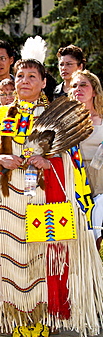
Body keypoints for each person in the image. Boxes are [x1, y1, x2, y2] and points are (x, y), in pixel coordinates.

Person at [0, 38, 103, 337]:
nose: (24, 81)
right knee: (13, 256)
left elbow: (74, 161)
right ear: (11, 81)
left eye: (32, 76)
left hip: (47, 197)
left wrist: (50, 160)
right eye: (19, 76)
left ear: (44, 82)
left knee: (43, 258)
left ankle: (42, 322)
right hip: (8, 198)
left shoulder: (58, 114)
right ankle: (18, 321)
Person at [69, 70, 103, 251]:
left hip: (101, 182)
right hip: (75, 183)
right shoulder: (65, 122)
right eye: (74, 86)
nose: (78, 89)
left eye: (83, 85)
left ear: (94, 91)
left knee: (98, 233)